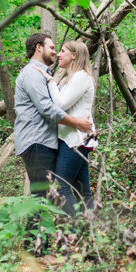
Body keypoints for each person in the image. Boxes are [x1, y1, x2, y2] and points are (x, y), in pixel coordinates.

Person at [14, 33, 92, 207]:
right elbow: (47, 109)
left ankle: (78, 231)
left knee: (47, 195)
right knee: (48, 195)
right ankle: (70, 232)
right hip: (38, 141)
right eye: (51, 47)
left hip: (46, 142)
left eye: (58, 50)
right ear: (38, 48)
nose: (55, 53)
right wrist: (78, 123)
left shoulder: (46, 75)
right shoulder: (33, 74)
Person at [31, 41, 97, 217]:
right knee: (83, 191)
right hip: (74, 137)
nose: (58, 54)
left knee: (61, 187)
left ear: (74, 55)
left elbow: (60, 105)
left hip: (75, 139)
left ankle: (77, 229)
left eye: (62, 51)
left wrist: (50, 80)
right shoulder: (70, 79)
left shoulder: (81, 77)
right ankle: (91, 234)